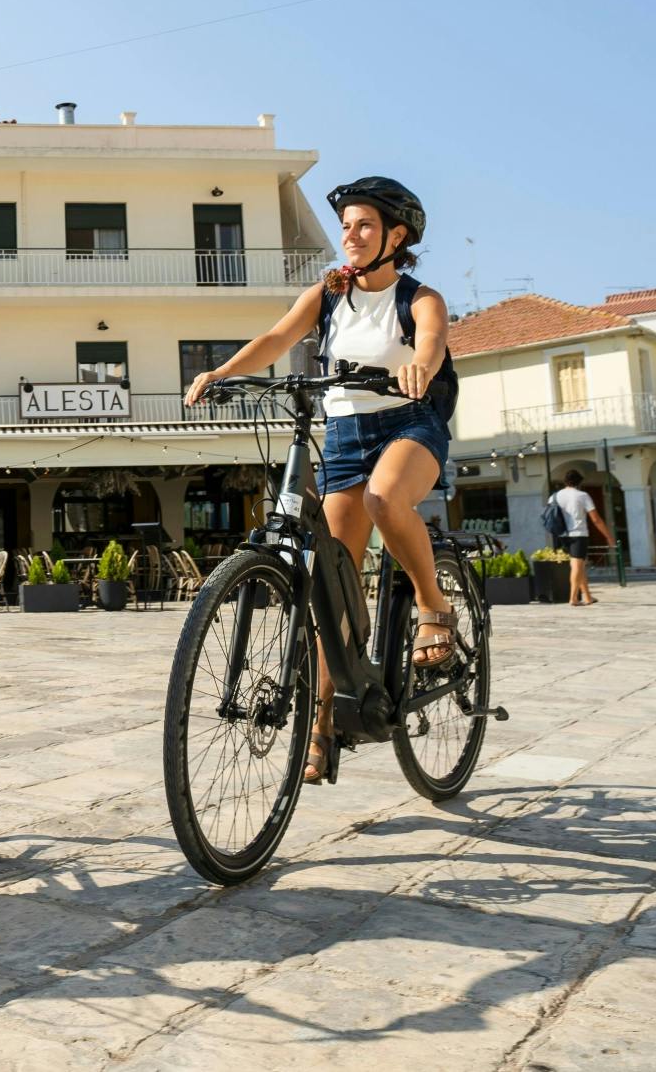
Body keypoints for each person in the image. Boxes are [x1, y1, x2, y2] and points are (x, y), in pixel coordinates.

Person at [184, 176, 458, 784]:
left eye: (363, 226)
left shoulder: (421, 297)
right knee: (331, 589)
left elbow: (433, 342)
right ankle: (322, 726)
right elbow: (278, 337)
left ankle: (434, 608)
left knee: (387, 499)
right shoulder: (329, 295)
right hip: (344, 435)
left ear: (396, 235)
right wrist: (221, 372)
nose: (350, 236)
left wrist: (419, 364)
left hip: (408, 425)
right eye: (346, 226)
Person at [551, 471, 610, 606]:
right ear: (579, 482)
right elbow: (595, 519)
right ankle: (573, 598)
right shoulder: (582, 496)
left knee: (579, 566)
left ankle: (587, 596)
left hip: (562, 535)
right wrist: (608, 536)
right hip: (579, 534)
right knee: (577, 566)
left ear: (565, 481)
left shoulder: (555, 496)